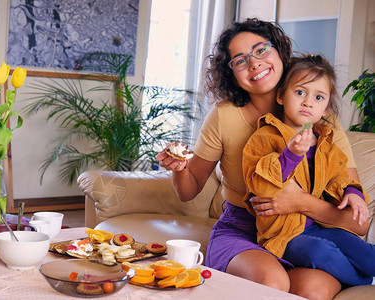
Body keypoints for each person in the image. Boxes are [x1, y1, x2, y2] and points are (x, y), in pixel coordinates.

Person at [156, 18, 369, 300]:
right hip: (242, 230)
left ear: (280, 51)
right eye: (240, 60)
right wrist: (180, 168)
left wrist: (300, 202)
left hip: (306, 230)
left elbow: (359, 223)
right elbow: (187, 190)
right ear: (231, 73)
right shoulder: (224, 115)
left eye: (261, 50)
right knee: (273, 281)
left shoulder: (320, 117)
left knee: (313, 290)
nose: (254, 63)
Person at [242, 54, 374, 286]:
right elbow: (259, 184)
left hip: (322, 226)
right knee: (319, 251)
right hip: (284, 235)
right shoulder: (265, 136)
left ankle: (363, 270)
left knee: (366, 253)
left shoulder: (326, 144)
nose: (308, 102)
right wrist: (290, 155)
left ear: (325, 109)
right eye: (300, 92)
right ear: (282, 96)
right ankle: (362, 282)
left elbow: (340, 177)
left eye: (319, 97)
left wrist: (354, 193)